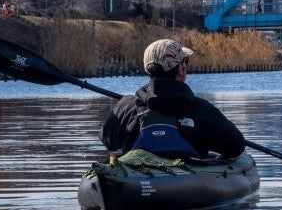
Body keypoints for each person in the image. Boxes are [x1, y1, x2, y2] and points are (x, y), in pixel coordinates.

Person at [101, 38, 246, 159]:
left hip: (134, 182)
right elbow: (236, 147)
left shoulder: (126, 105)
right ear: (181, 68)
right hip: (188, 185)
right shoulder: (201, 109)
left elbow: (108, 141)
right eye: (185, 62)